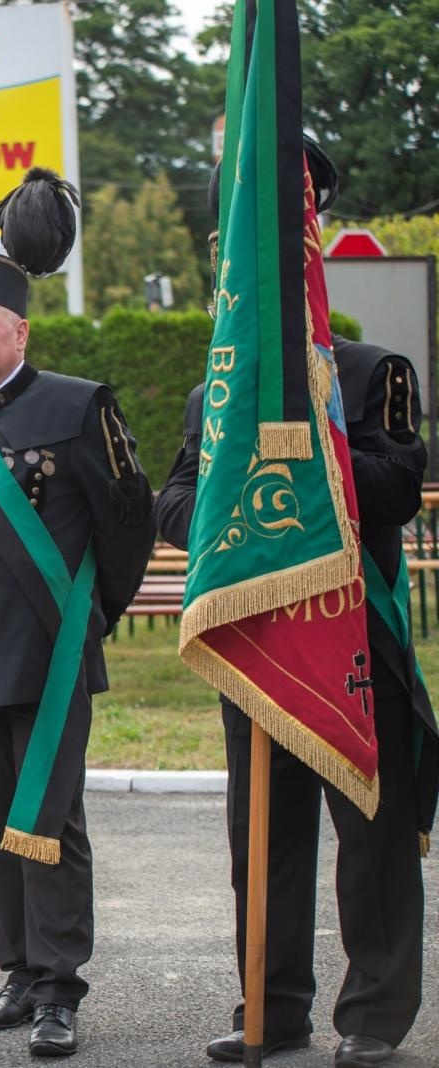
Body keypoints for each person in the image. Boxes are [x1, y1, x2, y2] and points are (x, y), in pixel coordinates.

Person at [156, 149, 435, 1068]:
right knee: (264, 842)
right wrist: (236, 510)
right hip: (258, 644)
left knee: (375, 838)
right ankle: (269, 1009)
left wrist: (308, 470)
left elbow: (399, 481)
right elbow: (173, 501)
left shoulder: (370, 370)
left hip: (357, 638)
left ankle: (374, 1015)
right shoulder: (215, 394)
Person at [0, 170, 155, 1058]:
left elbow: (131, 523)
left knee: (48, 820)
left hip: (45, 654)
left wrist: (91, 616)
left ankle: (59, 985)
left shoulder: (79, 405)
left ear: (20, 329)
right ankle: (16, 968)